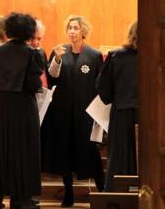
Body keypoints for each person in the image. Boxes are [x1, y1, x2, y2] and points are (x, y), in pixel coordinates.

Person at [41, 15, 104, 207]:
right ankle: (68, 191)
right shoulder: (59, 52)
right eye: (69, 28)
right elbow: (52, 78)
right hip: (62, 112)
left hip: (85, 114)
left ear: (83, 31)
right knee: (64, 152)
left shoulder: (93, 55)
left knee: (90, 151)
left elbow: (99, 84)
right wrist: (57, 60)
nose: (72, 31)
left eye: (75, 28)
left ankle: (103, 191)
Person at [0, 12, 42, 209]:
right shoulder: (32, 53)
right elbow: (34, 84)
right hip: (23, 110)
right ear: (29, 32)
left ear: (9, 29)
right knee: (24, 154)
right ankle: (21, 200)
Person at [96, 21, 138, 192]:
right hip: (151, 115)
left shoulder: (116, 56)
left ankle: (118, 199)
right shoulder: (156, 54)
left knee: (120, 159)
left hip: (122, 113)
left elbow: (103, 90)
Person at [28, 20, 48, 88]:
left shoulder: (41, 52)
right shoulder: (22, 55)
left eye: (39, 39)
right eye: (32, 38)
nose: (35, 42)